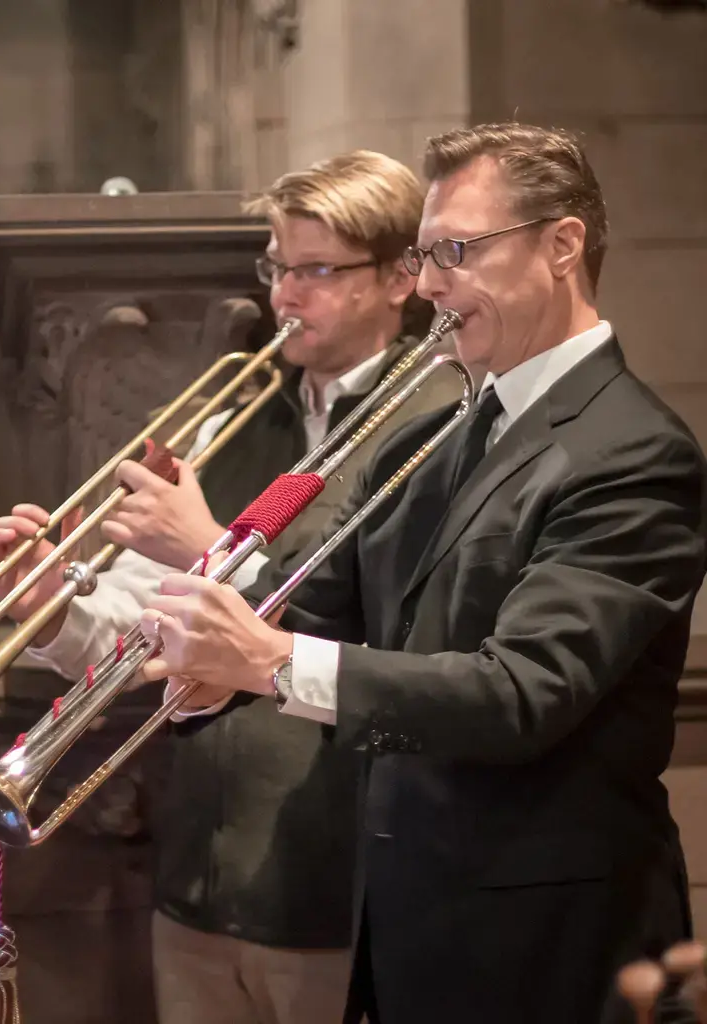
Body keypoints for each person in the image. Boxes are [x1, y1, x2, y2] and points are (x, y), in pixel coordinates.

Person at [135, 122, 707, 1024]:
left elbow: (525, 691)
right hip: (410, 924)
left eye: (456, 252)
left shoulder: (634, 451)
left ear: (563, 245)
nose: (432, 285)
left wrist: (271, 660)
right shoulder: (442, 434)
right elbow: (313, 603)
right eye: (425, 255)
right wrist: (196, 659)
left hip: (550, 942)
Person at [0, 151, 461, 1024]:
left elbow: (407, 645)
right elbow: (136, 636)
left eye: (316, 270)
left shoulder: (430, 431)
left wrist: (205, 544)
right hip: (197, 870)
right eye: (276, 267)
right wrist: (49, 603)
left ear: (400, 279)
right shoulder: (230, 418)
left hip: (336, 884)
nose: (283, 297)